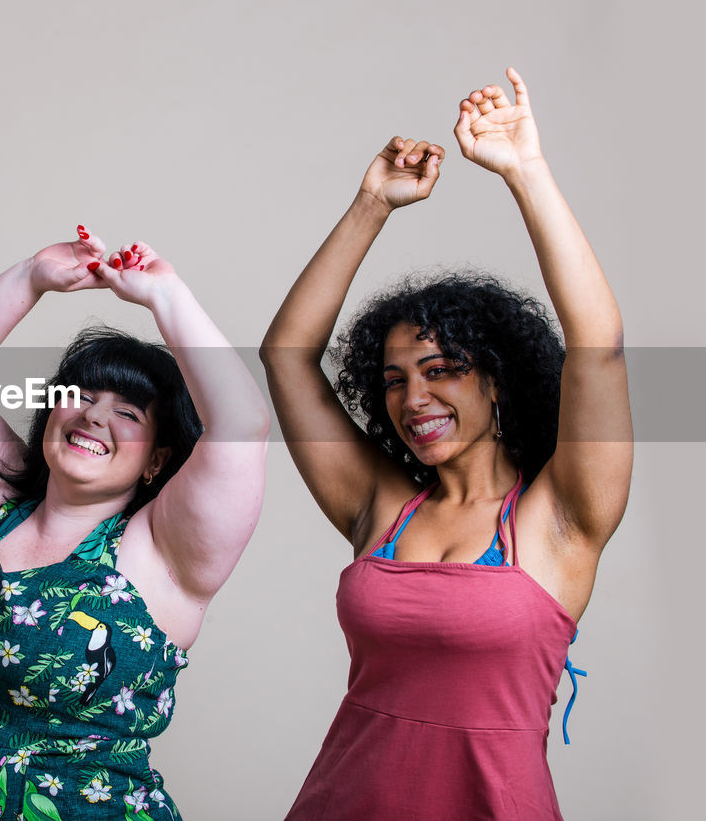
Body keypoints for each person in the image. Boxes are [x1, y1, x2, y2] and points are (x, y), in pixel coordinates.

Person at [261, 69, 632, 819]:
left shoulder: (560, 518)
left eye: (442, 372)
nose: (413, 399)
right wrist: (373, 204)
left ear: (497, 382)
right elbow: (286, 357)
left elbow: (598, 346)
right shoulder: (380, 506)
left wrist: (525, 172)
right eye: (394, 380)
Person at [0, 230, 269, 819]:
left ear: (159, 460)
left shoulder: (159, 551)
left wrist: (164, 295)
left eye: (127, 412)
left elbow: (241, 424)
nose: (93, 415)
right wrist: (31, 278)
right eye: (81, 395)